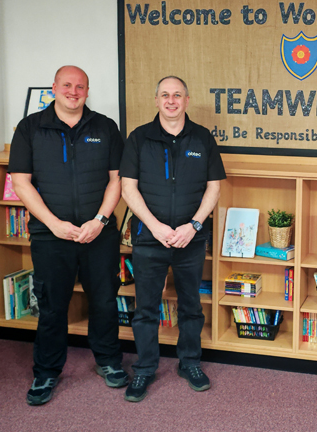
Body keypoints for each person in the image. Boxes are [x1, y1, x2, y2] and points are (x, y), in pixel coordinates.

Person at [8, 65, 128, 406]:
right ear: (54, 88)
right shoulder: (30, 128)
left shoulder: (105, 127)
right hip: (50, 236)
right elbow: (21, 182)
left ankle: (108, 361)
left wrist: (101, 221)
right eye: (67, 85)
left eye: (80, 86)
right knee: (52, 306)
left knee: (104, 301)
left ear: (87, 91)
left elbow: (116, 179)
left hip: (98, 234)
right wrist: (53, 224)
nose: (73, 91)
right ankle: (46, 372)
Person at [120, 76, 226, 402]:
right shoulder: (139, 139)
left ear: (187, 100)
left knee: (191, 305)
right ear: (156, 101)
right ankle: (145, 369)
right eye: (165, 95)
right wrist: (154, 226)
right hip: (150, 238)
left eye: (177, 95)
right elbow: (128, 188)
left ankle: (189, 363)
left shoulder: (202, 138)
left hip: (190, 239)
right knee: (146, 309)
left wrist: (193, 226)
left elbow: (214, 187)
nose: (171, 100)